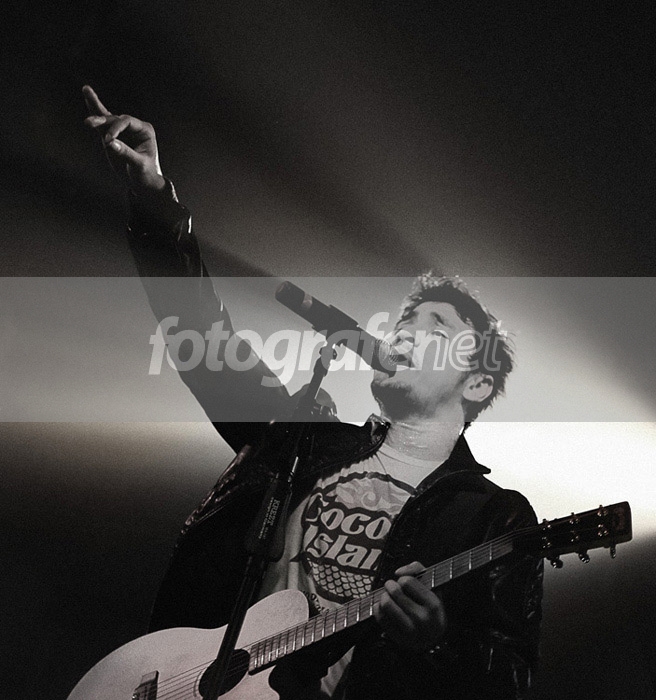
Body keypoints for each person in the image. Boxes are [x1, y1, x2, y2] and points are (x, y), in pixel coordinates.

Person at [83, 85, 543, 700]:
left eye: (436, 329)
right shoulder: (306, 442)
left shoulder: (489, 517)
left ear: (479, 380)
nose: (405, 334)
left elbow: (510, 679)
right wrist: (154, 201)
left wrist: (435, 642)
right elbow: (204, 338)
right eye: (404, 323)